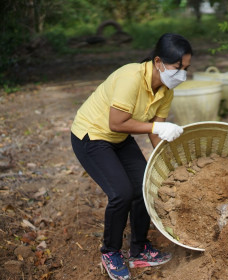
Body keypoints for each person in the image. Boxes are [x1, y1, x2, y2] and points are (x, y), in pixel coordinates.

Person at [71, 33, 193, 280]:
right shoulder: (131, 77)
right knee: (121, 193)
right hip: (92, 136)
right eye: (177, 67)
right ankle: (111, 252)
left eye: (186, 68)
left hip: (119, 138)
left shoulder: (166, 90)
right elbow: (116, 123)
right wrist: (156, 128)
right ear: (158, 62)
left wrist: (169, 166)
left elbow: (156, 134)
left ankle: (139, 250)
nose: (182, 74)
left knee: (143, 186)